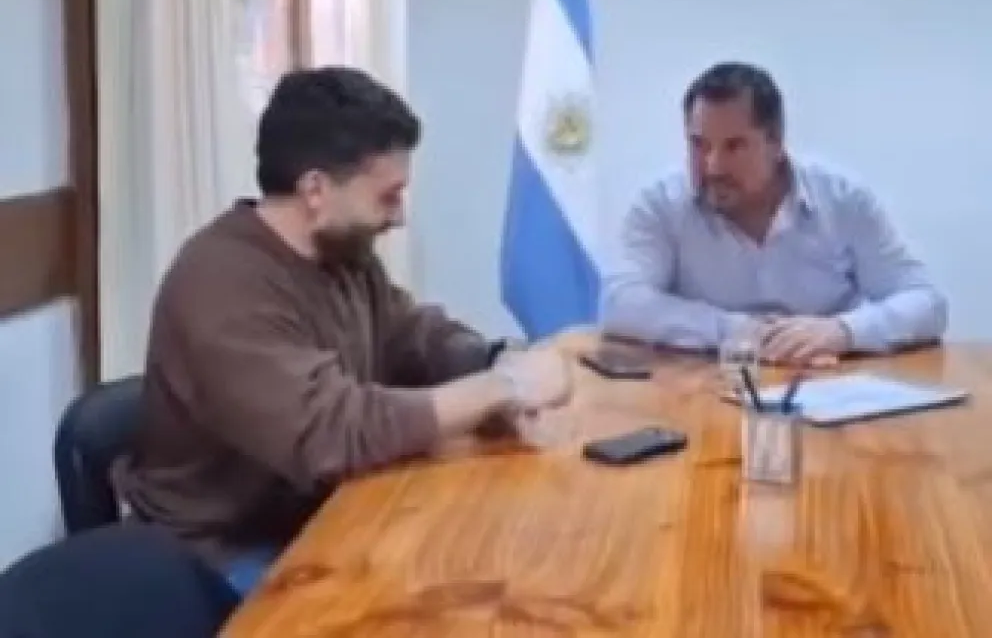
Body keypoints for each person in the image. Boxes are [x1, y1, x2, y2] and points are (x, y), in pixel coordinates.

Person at [119, 67, 572, 597]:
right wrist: (507, 387)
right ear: (315, 189)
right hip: (219, 554)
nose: (398, 217)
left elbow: (413, 336)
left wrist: (498, 358)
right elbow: (334, 434)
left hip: (319, 510)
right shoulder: (219, 283)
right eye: (388, 196)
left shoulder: (342, 255)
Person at [600, 61, 947, 364]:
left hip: (831, 380)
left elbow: (927, 302)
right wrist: (735, 331)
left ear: (777, 143)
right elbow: (621, 303)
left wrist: (844, 331)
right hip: (707, 387)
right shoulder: (661, 204)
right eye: (699, 144)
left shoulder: (842, 199)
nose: (713, 166)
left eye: (734, 146)